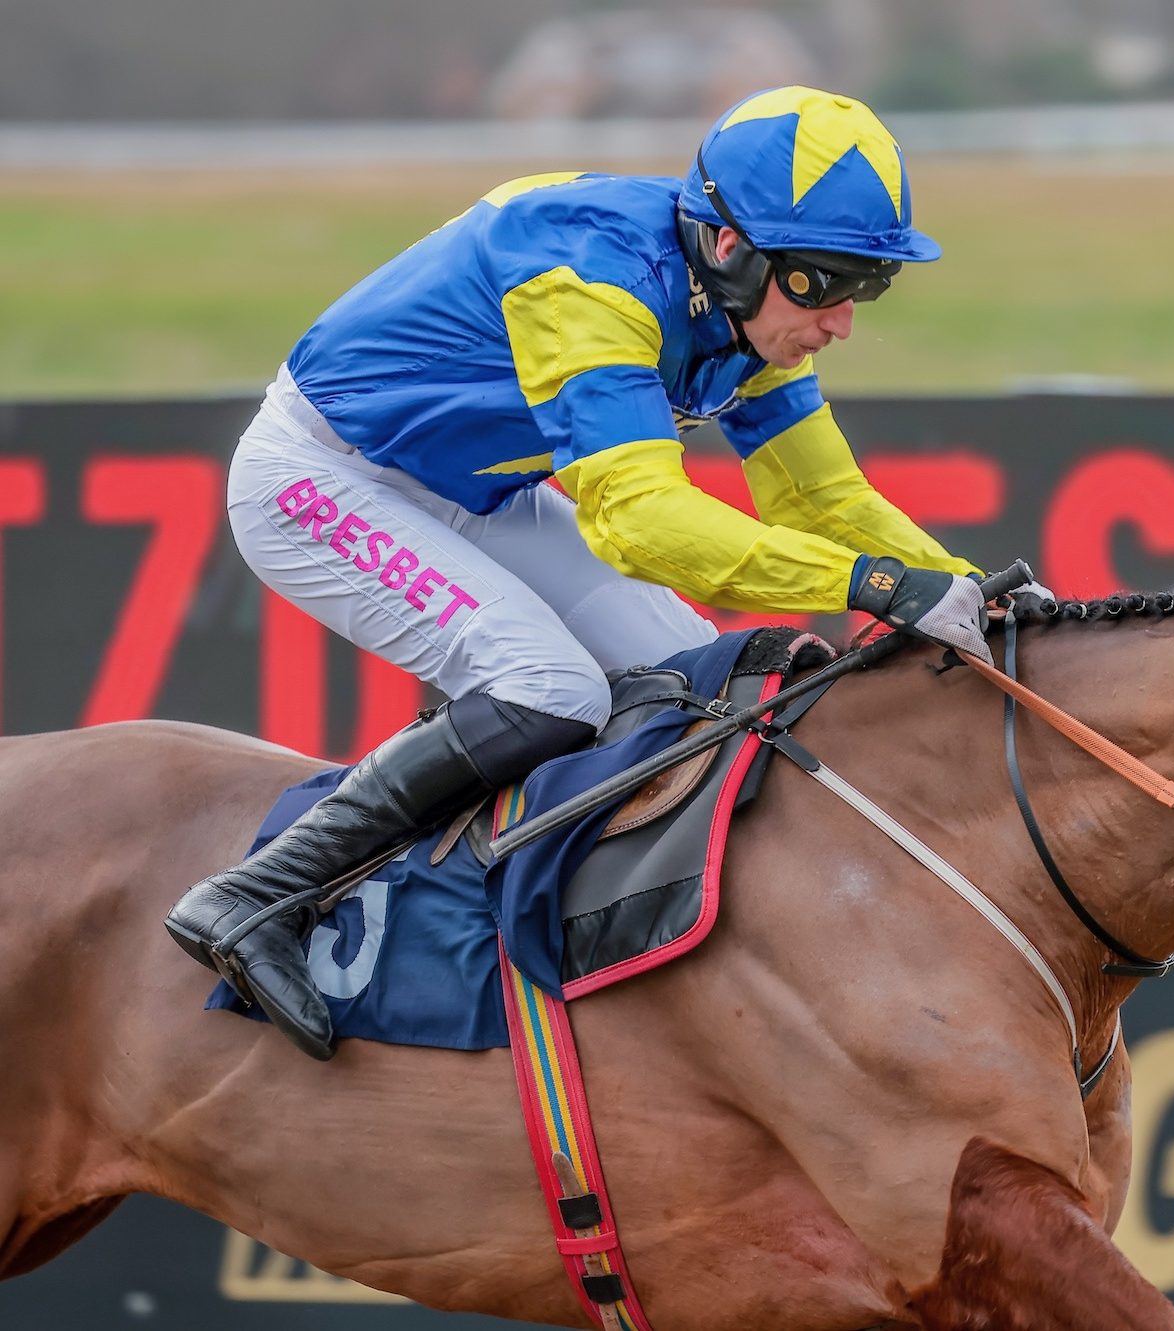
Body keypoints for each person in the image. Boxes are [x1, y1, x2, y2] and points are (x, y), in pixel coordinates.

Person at [166, 86, 1017, 1061]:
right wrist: (872, 588)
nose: (841, 323)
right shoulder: (593, 274)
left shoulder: (747, 306)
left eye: (865, 286)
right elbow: (640, 519)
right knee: (552, 688)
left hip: (471, 491)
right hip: (321, 480)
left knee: (701, 684)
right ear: (730, 247)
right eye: (824, 284)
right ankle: (252, 894)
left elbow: (820, 502)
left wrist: (964, 584)